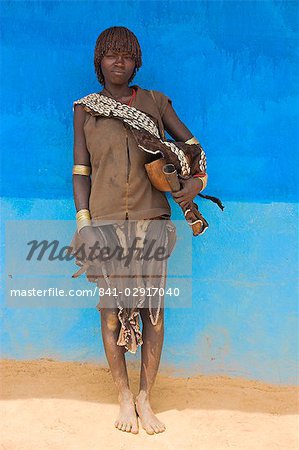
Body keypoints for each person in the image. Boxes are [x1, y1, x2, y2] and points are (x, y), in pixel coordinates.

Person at [69, 26, 208, 435]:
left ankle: (146, 398)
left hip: (152, 222)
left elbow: (196, 151)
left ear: (136, 62)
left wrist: (193, 185)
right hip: (106, 223)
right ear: (99, 62)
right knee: (111, 315)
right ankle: (123, 397)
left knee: (154, 314)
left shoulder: (155, 102)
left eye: (126, 55)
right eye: (110, 55)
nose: (118, 62)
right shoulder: (85, 109)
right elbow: (80, 172)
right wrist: (85, 223)